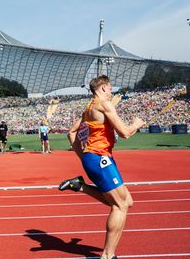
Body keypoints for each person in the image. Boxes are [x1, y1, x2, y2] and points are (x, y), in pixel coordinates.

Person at [59, 75, 145, 259]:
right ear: (104, 87)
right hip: (100, 158)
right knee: (120, 206)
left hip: (97, 158)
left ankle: (79, 185)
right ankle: (107, 255)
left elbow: (71, 133)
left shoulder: (89, 107)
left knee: (126, 202)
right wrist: (136, 124)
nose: (111, 92)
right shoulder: (104, 105)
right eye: (110, 89)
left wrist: (84, 157)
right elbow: (125, 133)